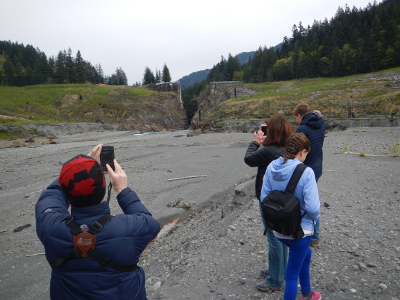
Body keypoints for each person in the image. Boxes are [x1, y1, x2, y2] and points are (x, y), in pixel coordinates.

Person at [35, 144, 160, 300]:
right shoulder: (128, 229)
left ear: (66, 192)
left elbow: (50, 196)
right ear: (102, 186)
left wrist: (75, 171)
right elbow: (150, 222)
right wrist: (123, 190)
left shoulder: (49, 226)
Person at [261, 133, 321, 300]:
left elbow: (264, 196)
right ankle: (305, 295)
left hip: (279, 230)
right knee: (292, 275)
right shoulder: (306, 172)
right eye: (306, 154)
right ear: (302, 151)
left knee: (306, 255)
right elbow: (313, 208)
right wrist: (313, 220)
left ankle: (308, 294)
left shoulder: (272, 166)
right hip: (300, 232)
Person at [244, 115, 295, 292]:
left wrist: (256, 141)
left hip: (269, 199)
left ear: (271, 132)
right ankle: (280, 271)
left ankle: (275, 280)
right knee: (281, 236)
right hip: (284, 198)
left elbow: (249, 159)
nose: (262, 131)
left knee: (274, 238)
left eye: (266, 129)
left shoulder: (269, 150)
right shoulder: (286, 147)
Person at [293, 103, 325, 247]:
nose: (295, 121)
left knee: (307, 202)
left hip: (306, 169)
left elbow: (297, 151)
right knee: (311, 199)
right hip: (317, 166)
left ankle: (313, 236)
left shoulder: (303, 129)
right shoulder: (320, 124)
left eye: (295, 118)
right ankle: (314, 236)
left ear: (299, 115)